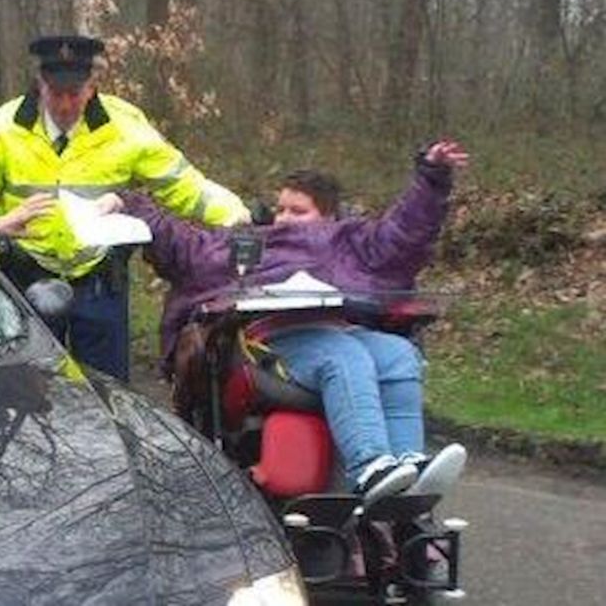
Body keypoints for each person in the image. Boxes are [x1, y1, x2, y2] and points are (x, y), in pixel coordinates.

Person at [124, 140, 470, 501]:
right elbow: (183, 246)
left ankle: (408, 466)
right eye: (281, 209)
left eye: (298, 211)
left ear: (331, 219)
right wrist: (128, 203)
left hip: (339, 330)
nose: (284, 219)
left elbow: (404, 234)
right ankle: (369, 467)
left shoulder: (351, 243)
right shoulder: (251, 243)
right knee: (343, 356)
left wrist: (432, 177)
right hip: (269, 340)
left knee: (398, 354)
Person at [0, 34, 249, 381]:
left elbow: (183, 185)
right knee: (26, 397)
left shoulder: (125, 127)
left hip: (99, 282)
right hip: (25, 282)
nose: (64, 106)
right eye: (55, 93)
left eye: (74, 94)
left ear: (91, 88)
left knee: (108, 398)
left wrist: (237, 215)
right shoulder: (1, 130)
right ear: (39, 85)